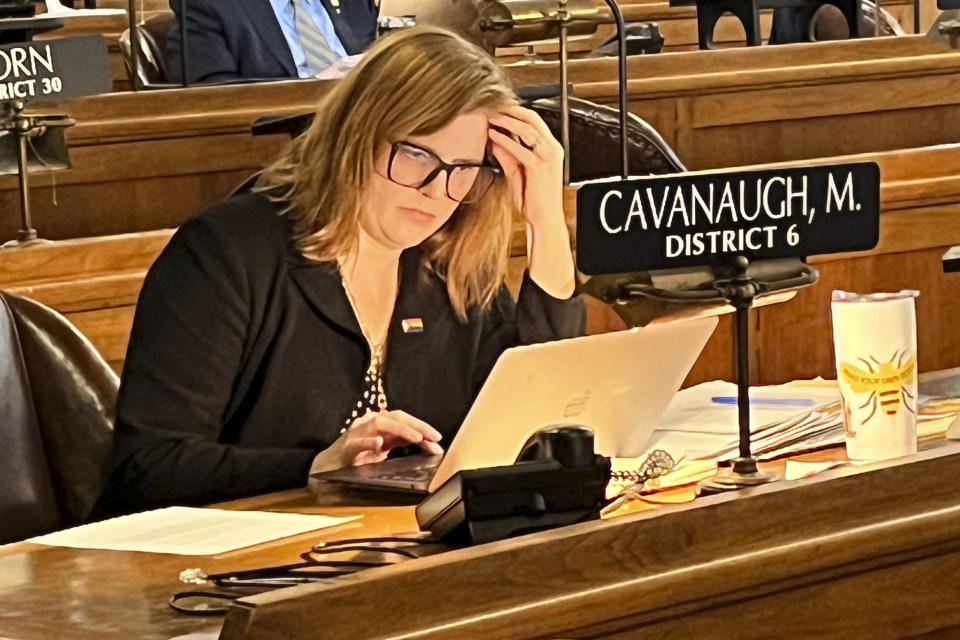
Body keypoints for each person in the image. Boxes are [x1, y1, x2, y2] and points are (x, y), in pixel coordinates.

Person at [96, 27, 585, 515]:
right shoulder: (226, 252)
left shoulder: (452, 263)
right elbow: (149, 468)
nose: (438, 191)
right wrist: (316, 467)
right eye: (417, 155)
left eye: (464, 168)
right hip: (218, 567)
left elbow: (537, 423)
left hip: (387, 552)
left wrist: (546, 219)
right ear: (358, 136)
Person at [164, 0, 379, 84]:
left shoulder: (354, 3)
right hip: (282, 149)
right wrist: (311, 86)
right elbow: (208, 97)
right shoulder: (206, 5)